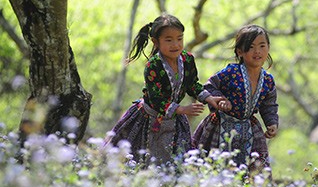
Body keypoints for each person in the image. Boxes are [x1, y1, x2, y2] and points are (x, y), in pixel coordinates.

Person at [106, 14, 224, 166]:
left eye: (179, 38)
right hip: (147, 118)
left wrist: (209, 98)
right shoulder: (153, 66)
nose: (175, 44)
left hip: (175, 121)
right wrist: (181, 109)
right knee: (136, 160)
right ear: (156, 42)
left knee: (175, 162)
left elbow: (192, 84)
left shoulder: (188, 60)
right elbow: (156, 99)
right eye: (169, 40)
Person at [192, 24, 279, 173]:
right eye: (251, 47)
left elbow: (269, 105)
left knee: (257, 172)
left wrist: (272, 124)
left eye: (262, 46)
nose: (257, 51)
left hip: (250, 129)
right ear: (240, 51)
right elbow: (210, 87)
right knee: (212, 167)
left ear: (268, 48)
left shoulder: (268, 80)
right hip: (219, 127)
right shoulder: (231, 72)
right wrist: (221, 101)